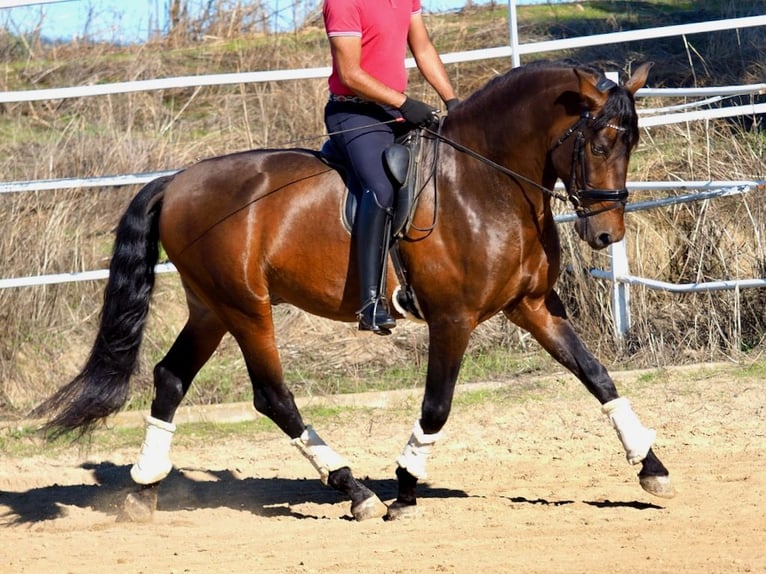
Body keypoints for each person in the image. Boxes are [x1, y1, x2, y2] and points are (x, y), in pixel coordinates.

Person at [323, 0, 459, 336]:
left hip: (393, 110)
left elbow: (423, 48)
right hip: (354, 113)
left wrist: (453, 102)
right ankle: (370, 302)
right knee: (382, 188)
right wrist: (405, 103)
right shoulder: (341, 3)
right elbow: (350, 74)